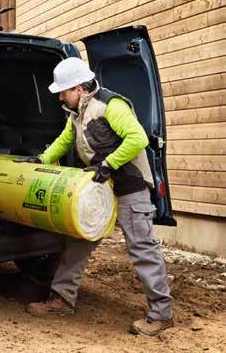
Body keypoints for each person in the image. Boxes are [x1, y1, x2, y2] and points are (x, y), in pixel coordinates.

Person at [16, 57, 173, 336]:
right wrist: (41, 160)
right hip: (99, 188)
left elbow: (137, 138)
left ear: (78, 88)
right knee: (78, 241)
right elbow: (65, 140)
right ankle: (62, 300)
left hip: (129, 187)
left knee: (142, 248)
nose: (61, 98)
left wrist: (108, 165)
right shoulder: (76, 113)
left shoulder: (111, 105)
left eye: (63, 92)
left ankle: (161, 314)